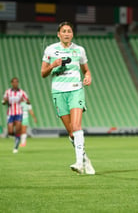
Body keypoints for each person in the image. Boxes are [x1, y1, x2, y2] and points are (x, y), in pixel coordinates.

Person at [41, 21, 95, 174]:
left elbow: (86, 70)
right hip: (58, 92)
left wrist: (88, 77)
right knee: (71, 132)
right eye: (63, 31)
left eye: (69, 31)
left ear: (72, 34)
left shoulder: (79, 50)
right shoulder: (50, 50)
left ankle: (79, 163)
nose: (66, 34)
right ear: (58, 34)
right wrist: (53, 65)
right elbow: (43, 73)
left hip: (75, 90)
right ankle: (85, 159)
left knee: (77, 126)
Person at [2, 77, 30, 153]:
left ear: (18, 83)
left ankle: (16, 147)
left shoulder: (22, 92)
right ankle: (18, 137)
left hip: (19, 113)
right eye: (14, 82)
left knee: (17, 130)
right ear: (11, 83)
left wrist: (24, 100)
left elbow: (28, 102)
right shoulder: (8, 92)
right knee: (10, 132)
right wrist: (5, 101)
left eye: (17, 82)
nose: (15, 83)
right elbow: (3, 102)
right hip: (10, 113)